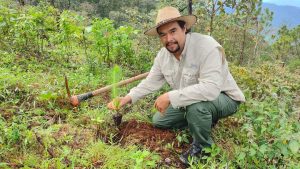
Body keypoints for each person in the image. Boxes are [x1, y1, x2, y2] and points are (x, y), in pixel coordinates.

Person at [107, 6, 245, 165]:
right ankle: (203, 120)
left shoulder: (207, 47)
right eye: (163, 35)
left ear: (184, 28)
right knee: (159, 121)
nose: (168, 39)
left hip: (224, 98)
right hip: (192, 99)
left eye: (173, 31)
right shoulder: (163, 57)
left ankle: (203, 148)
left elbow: (211, 89)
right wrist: (127, 98)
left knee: (197, 108)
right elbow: (150, 82)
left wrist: (170, 96)